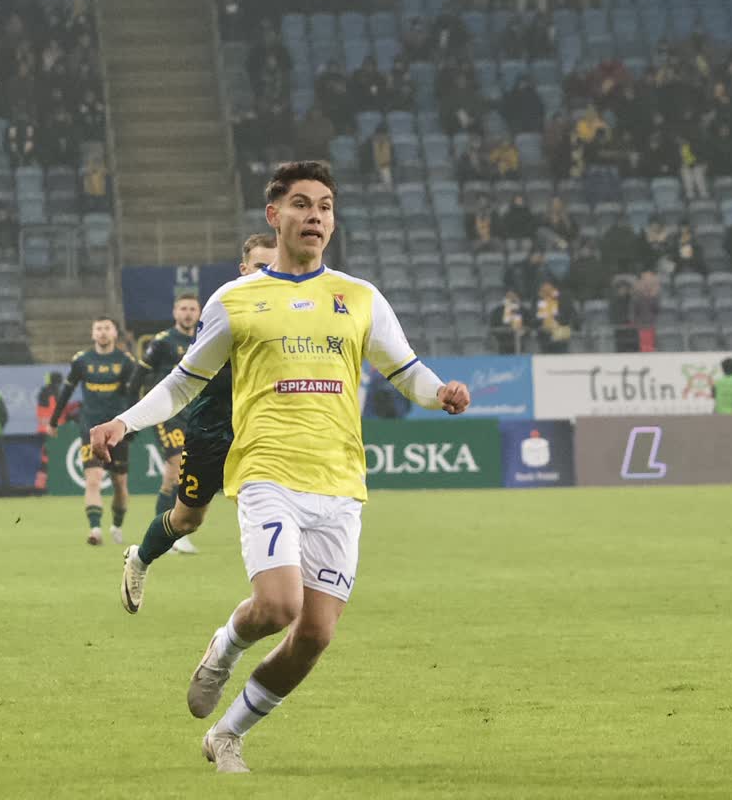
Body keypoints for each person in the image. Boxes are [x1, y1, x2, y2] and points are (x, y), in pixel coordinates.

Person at [90, 161, 470, 774]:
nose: (314, 215)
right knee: (278, 605)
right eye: (301, 204)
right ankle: (223, 648)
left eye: (324, 206)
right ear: (275, 216)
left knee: (315, 635)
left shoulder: (359, 297)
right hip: (267, 472)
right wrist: (124, 422)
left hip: (341, 483)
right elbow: (183, 382)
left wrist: (440, 392)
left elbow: (406, 371)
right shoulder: (235, 300)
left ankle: (227, 735)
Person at [120, 236, 277, 605]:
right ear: (244, 270)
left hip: (260, 429)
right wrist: (128, 420)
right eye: (260, 266)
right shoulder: (225, 309)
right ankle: (140, 558)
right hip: (211, 428)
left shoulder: (291, 313)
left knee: (270, 505)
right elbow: (186, 378)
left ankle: (276, 599)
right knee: (187, 519)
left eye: (274, 266)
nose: (268, 274)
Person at [124, 293, 204, 556]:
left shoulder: (205, 339)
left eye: (192, 309)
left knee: (189, 473)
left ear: (199, 312)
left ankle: (173, 531)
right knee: (175, 467)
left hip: (196, 413)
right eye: (183, 308)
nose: (188, 313)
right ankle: (166, 536)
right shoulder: (162, 342)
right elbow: (138, 377)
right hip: (168, 414)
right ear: (174, 312)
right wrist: (132, 416)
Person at [50, 317, 139, 546]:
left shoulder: (125, 362)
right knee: (93, 479)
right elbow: (66, 391)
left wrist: (133, 424)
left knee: (119, 483)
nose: (102, 332)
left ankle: (116, 525)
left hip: (116, 430)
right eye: (98, 328)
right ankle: (95, 530)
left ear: (115, 333)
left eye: (107, 328)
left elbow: (133, 396)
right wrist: (54, 420)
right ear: (92, 333)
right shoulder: (82, 360)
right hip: (90, 428)